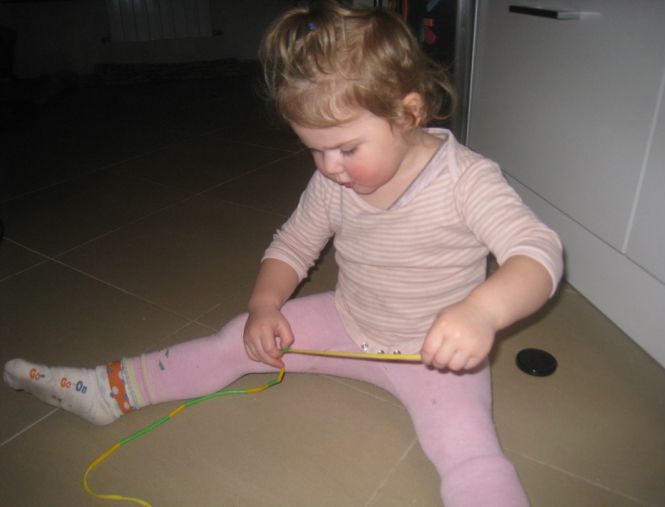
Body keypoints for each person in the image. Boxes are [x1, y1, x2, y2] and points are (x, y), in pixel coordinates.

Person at [3, 2, 562, 506]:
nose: (331, 167)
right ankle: (109, 390)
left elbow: (537, 252)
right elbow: (293, 243)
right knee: (234, 338)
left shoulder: (467, 181)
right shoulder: (334, 181)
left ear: (407, 112)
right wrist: (265, 304)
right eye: (315, 150)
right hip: (348, 322)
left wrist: (482, 312)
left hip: (435, 357)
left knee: (470, 453)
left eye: (347, 148)